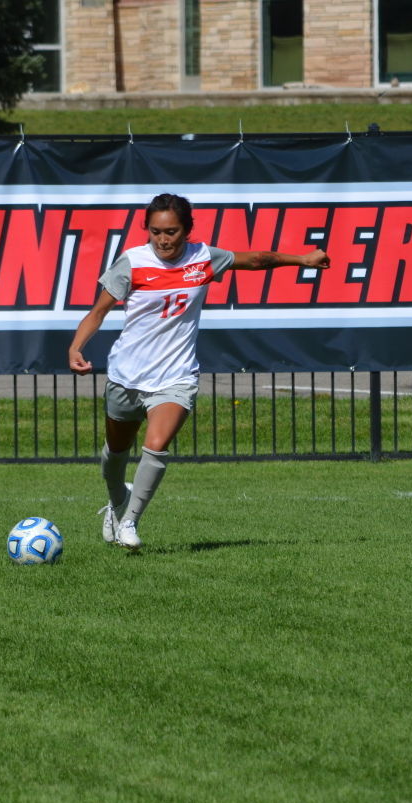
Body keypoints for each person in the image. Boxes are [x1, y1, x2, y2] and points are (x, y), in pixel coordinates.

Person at [68, 193, 331, 551]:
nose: (163, 239)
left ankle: (130, 521)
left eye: (172, 231)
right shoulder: (132, 262)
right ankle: (117, 503)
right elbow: (98, 311)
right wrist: (75, 347)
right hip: (126, 375)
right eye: (156, 231)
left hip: (176, 376)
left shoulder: (204, 258)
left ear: (187, 230)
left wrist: (302, 259)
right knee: (116, 452)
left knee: (156, 446)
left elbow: (256, 260)